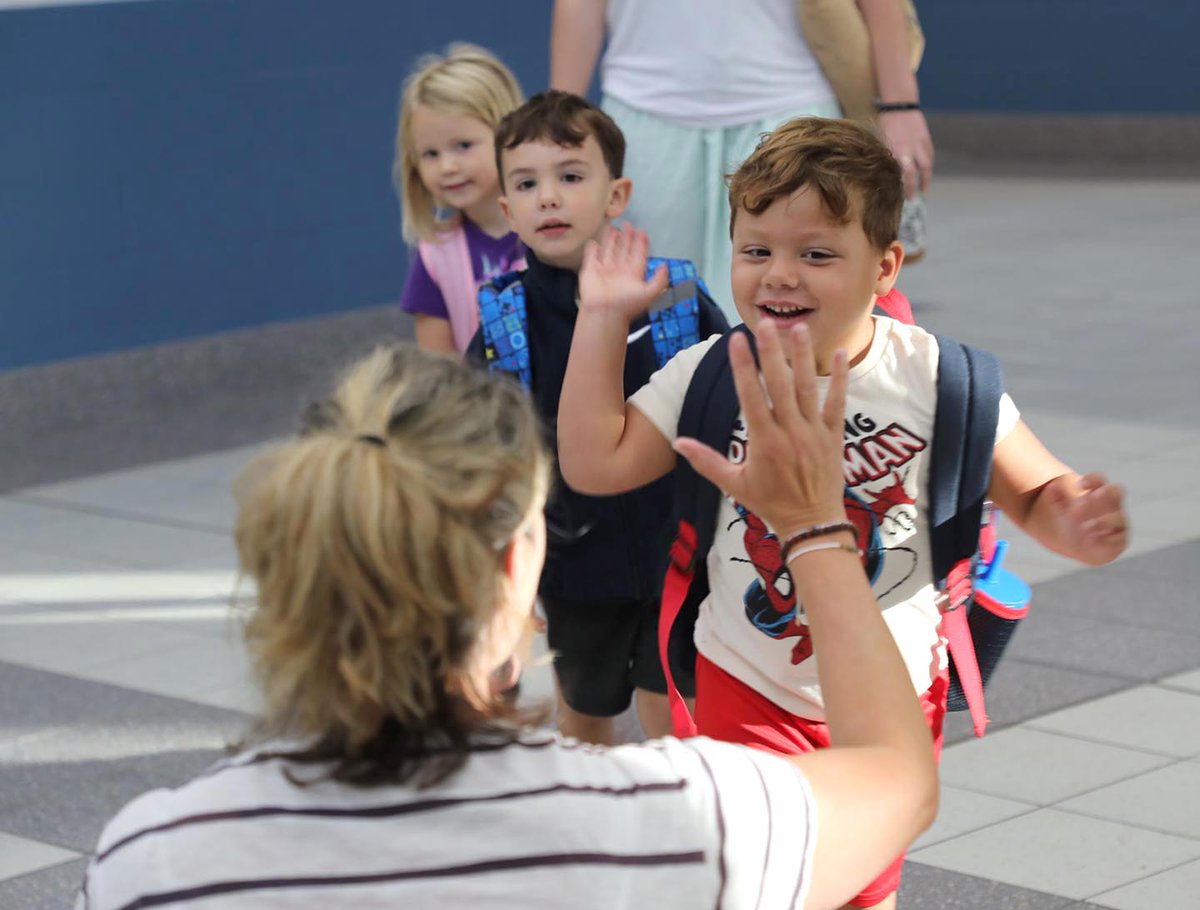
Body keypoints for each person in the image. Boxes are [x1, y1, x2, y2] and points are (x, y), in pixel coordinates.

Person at [78, 339, 938, 910]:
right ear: (512, 568)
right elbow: (898, 778)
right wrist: (814, 529)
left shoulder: (154, 861)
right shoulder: (677, 822)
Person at [557, 118, 1128, 909]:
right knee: (765, 878)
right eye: (757, 251)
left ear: (884, 264)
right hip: (746, 681)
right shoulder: (710, 374)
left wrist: (1079, 520)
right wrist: (603, 318)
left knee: (862, 885)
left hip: (892, 696)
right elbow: (595, 461)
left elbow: (1036, 492)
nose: (779, 275)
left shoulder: (938, 378)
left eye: (817, 254)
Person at [466, 90, 728, 745]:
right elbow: (480, 451)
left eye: (571, 176)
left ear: (617, 195)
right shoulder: (504, 321)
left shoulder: (674, 296)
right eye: (526, 184)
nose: (548, 197)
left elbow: (728, 399)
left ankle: (685, 826)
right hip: (571, 564)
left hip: (681, 550)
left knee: (669, 706)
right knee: (584, 714)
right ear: (507, 210)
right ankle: (596, 826)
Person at [549, 0, 934, 324]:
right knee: (654, 314)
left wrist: (901, 103)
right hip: (644, 114)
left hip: (790, 107)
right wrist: (559, 124)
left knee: (796, 307)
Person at [393, 43, 525, 354]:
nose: (447, 167)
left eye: (463, 145)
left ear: (508, 134)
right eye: (430, 154)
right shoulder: (435, 257)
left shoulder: (557, 228)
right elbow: (442, 371)